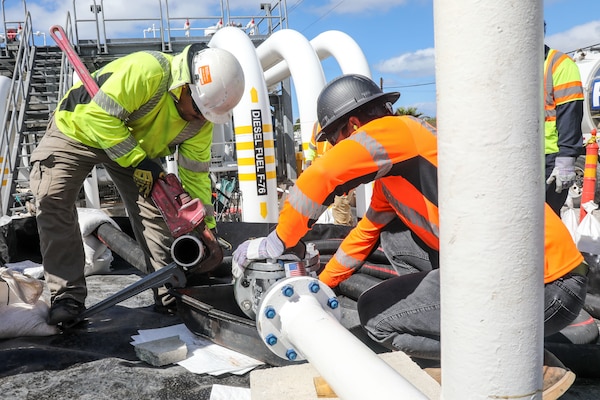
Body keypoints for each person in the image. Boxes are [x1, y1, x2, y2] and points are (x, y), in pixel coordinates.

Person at [233, 74, 587, 396]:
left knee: (376, 318)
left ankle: (523, 364)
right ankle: (466, 333)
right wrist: (318, 289)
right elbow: (361, 239)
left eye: (336, 139)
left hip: (542, 290)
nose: (335, 149)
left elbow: (319, 178)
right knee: (395, 238)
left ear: (354, 125)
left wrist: (276, 242)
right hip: (533, 277)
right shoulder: (400, 172)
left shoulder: (398, 132)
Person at [30, 44, 245, 325]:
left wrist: (207, 230)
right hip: (79, 128)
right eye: (198, 111)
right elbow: (97, 117)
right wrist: (139, 161)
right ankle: (67, 297)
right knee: (53, 198)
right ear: (184, 87)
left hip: (132, 149)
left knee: (160, 209)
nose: (202, 119)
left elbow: (195, 177)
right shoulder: (149, 71)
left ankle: (170, 292)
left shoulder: (201, 121)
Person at [543, 22, 585, 215]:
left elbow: (570, 114)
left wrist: (566, 158)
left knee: (544, 221)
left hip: (550, 158)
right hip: (515, 157)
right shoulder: (510, 66)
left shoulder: (559, 64)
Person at [306, 121, 355, 227]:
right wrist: (308, 161)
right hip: (325, 176)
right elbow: (312, 146)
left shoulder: (344, 122)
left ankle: (342, 235)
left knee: (339, 208)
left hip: (341, 177)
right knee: (341, 209)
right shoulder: (317, 125)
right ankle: (348, 231)